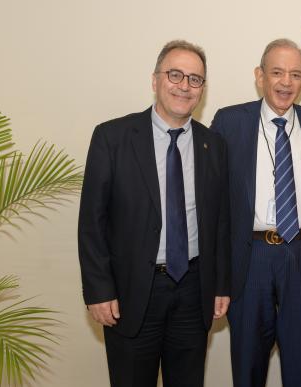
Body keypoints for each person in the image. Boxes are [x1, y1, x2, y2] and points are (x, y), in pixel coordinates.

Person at [78, 40, 230, 387]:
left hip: (193, 292)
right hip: (132, 294)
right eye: (175, 74)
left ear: (202, 90)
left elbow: (219, 222)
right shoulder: (112, 137)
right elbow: (92, 223)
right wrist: (98, 289)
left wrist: (221, 283)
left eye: (195, 79)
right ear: (155, 79)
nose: (184, 85)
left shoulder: (213, 146)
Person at [210, 38, 301, 387]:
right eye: (277, 72)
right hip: (251, 257)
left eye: (295, 74)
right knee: (248, 362)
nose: (286, 82)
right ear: (259, 76)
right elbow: (214, 203)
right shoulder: (229, 122)